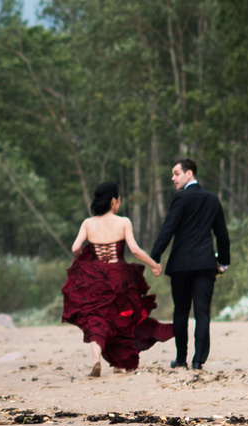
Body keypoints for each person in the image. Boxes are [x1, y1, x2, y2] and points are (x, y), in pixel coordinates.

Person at [60, 181, 171, 374]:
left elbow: (75, 248)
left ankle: (96, 359)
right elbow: (135, 250)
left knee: (95, 317)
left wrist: (86, 258)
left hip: (94, 275)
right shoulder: (123, 222)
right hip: (118, 275)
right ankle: (120, 362)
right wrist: (153, 264)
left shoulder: (88, 223)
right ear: (113, 201)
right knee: (121, 319)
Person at [146, 158, 232, 370]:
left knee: (181, 311)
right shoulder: (212, 199)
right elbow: (221, 233)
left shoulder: (181, 198)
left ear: (189, 174)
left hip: (181, 265)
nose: (173, 178)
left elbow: (168, 229)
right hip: (205, 263)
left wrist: (154, 257)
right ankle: (198, 361)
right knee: (202, 312)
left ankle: (181, 358)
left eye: (176, 173)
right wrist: (223, 262)